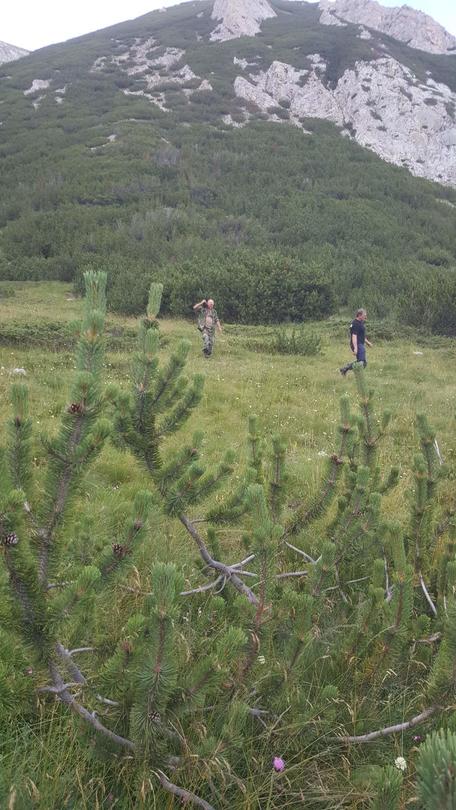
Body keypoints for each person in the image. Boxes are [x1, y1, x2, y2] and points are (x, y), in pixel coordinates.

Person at [340, 308, 372, 376]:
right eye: (364, 315)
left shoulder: (360, 322)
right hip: (357, 344)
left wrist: (367, 342)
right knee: (362, 362)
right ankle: (355, 373)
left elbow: (361, 335)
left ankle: (345, 369)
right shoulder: (355, 324)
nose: (366, 317)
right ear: (359, 315)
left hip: (360, 344)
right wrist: (355, 348)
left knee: (362, 362)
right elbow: (354, 336)